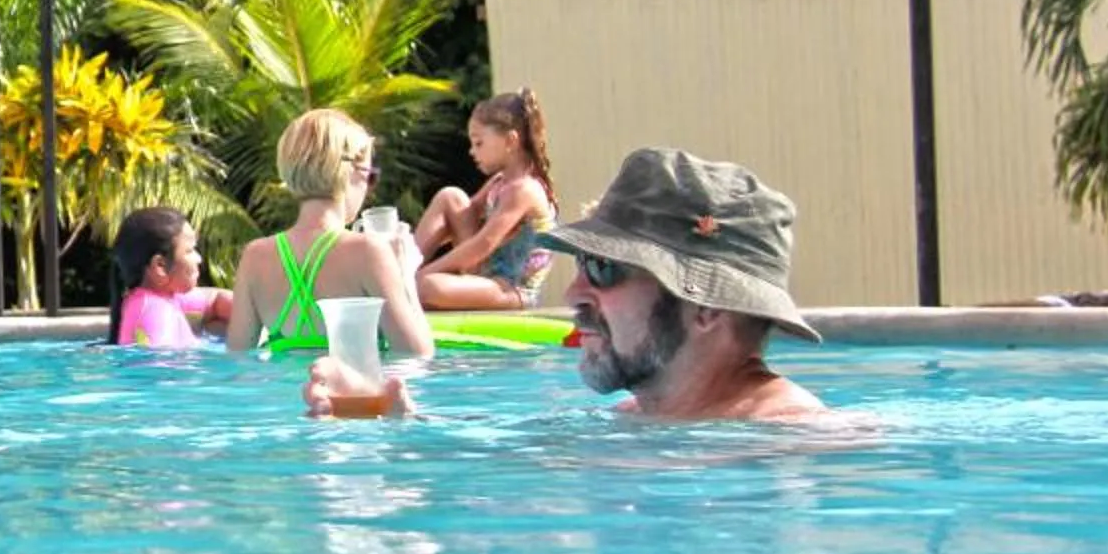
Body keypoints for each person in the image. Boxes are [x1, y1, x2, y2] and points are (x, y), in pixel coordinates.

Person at [305, 146, 827, 422]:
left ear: (707, 307)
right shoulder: (633, 421)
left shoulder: (789, 440)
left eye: (603, 269)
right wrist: (386, 419)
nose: (574, 293)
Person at [225, 109, 434, 396]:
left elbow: (239, 360)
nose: (368, 189)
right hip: (353, 407)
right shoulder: (368, 251)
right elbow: (416, 356)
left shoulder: (255, 257)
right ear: (350, 172)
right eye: (369, 176)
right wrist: (406, 275)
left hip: (283, 404)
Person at [411, 89, 556, 312]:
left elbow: (483, 244)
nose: (471, 151)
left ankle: (406, 279)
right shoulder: (499, 182)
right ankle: (402, 267)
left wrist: (426, 273)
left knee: (425, 287)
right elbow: (457, 216)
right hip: (486, 274)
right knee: (451, 196)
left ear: (510, 141)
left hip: (511, 289)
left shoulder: (524, 189)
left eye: (479, 143)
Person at [107, 206, 229, 349]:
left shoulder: (165, 298)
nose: (199, 259)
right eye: (190, 251)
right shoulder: (155, 312)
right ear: (160, 266)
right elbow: (157, 362)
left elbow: (215, 300)